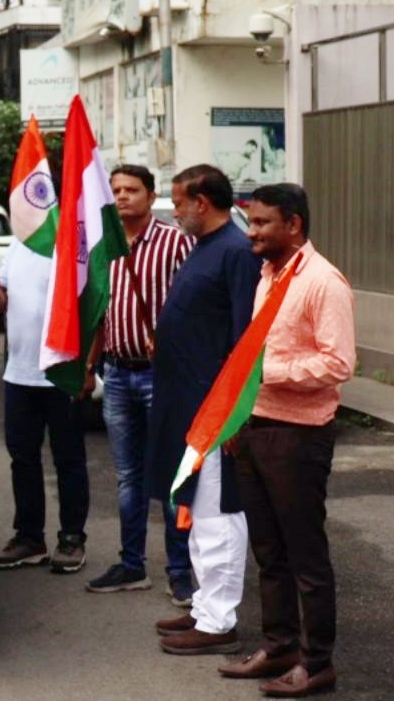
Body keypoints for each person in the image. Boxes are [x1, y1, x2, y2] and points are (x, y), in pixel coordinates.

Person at [218, 184, 353, 696]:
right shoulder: (268, 276)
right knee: (269, 551)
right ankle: (280, 649)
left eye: (261, 224)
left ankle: (317, 663)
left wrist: (265, 372)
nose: (250, 233)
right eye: (250, 223)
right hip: (256, 431)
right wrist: (237, 420)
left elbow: (339, 363)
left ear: (293, 225)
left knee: (305, 557)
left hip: (299, 438)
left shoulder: (323, 282)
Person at [150, 164, 262, 655]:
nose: (174, 211)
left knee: (218, 514)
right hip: (187, 406)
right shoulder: (203, 249)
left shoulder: (236, 253)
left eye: (178, 202)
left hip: (216, 411)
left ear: (202, 202)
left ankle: (219, 622)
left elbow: (244, 339)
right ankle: (203, 606)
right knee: (195, 509)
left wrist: (237, 414)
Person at [83, 165, 195, 605]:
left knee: (171, 476)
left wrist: (172, 338)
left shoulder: (175, 243)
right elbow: (97, 312)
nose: (124, 197)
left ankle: (180, 571)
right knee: (127, 476)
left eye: (132, 190)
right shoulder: (103, 248)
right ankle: (132, 565)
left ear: (151, 196)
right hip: (116, 374)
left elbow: (198, 303)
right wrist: (90, 365)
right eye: (116, 191)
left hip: (162, 377)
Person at [0, 241, 89, 575]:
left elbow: (95, 308)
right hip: (19, 373)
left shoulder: (76, 242)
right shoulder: (18, 246)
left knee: (68, 459)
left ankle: (72, 538)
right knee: (22, 458)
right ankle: (29, 537)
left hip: (62, 372)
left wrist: (88, 365)